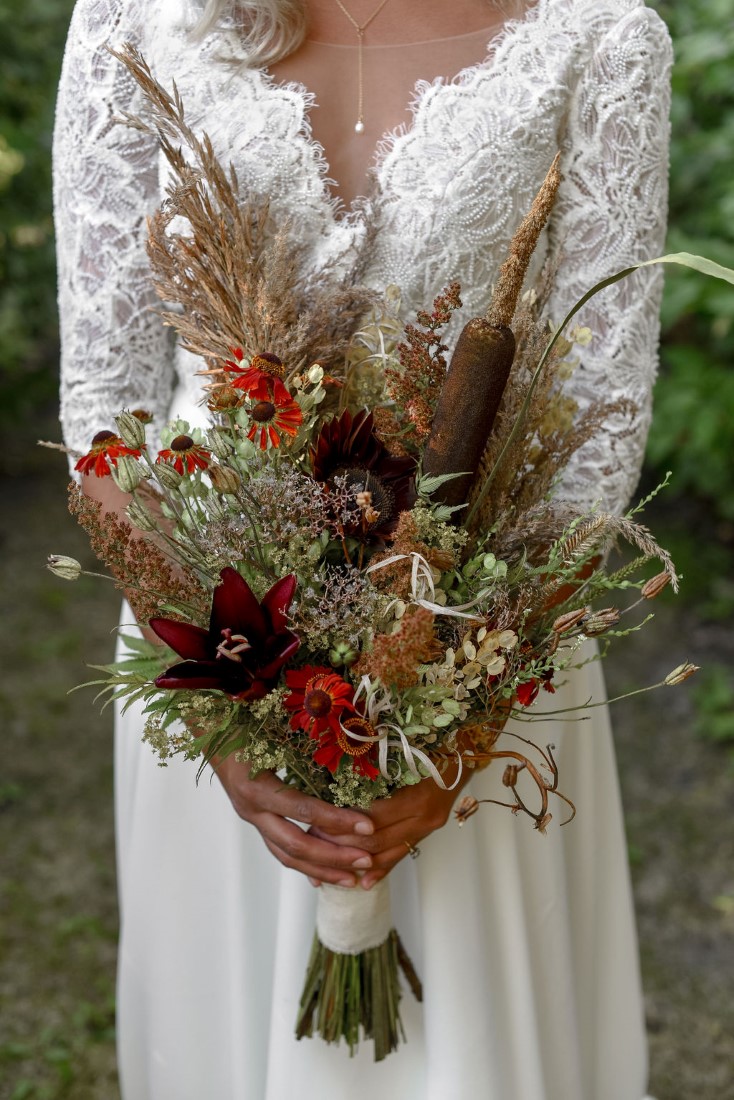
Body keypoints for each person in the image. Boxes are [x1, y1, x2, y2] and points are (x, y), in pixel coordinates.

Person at [54, 0, 672, 1097]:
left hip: (488, 633)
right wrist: (218, 705)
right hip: (210, 615)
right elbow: (108, 412)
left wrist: (466, 723)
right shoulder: (133, 15)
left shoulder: (600, 33)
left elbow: (599, 416)